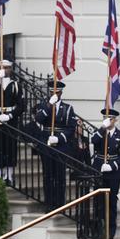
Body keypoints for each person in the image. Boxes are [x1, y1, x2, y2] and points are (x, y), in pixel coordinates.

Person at [34, 81, 77, 209]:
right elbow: (39, 119)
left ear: (61, 92)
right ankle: (49, 203)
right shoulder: (43, 106)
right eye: (52, 92)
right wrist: (49, 105)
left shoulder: (68, 108)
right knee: (48, 175)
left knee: (60, 175)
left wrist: (59, 138)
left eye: (57, 92)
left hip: (61, 145)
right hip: (46, 144)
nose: (55, 94)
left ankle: (59, 203)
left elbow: (71, 128)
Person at [91, 108, 120, 239]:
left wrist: (112, 165)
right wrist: (103, 127)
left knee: (111, 203)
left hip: (113, 173)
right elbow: (93, 141)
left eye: (110, 118)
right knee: (98, 202)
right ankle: (97, 230)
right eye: (105, 118)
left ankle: (110, 231)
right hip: (99, 171)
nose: (108, 121)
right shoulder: (100, 133)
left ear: (115, 120)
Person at [0, 60, 23, 185]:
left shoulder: (15, 85)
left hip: (10, 118)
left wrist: (11, 115)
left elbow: (21, 105)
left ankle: (9, 175)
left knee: (10, 146)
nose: (6, 70)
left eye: (8, 67)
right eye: (3, 68)